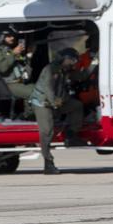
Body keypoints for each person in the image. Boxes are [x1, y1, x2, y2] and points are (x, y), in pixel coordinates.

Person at [29, 47, 84, 175]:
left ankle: (71, 135)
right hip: (43, 104)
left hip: (56, 102)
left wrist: (94, 64)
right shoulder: (50, 70)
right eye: (72, 60)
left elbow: (81, 76)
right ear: (65, 59)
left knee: (76, 106)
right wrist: (54, 102)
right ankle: (48, 163)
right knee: (47, 131)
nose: (73, 63)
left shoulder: (64, 70)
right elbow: (48, 88)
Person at [0, 27, 33, 116]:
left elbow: (20, 66)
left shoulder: (9, 50)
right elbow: (1, 68)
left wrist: (28, 57)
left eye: (12, 36)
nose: (12, 38)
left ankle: (28, 114)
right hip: (7, 84)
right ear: (0, 37)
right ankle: (29, 116)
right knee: (35, 92)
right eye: (8, 36)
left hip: (18, 81)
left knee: (39, 88)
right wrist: (13, 54)